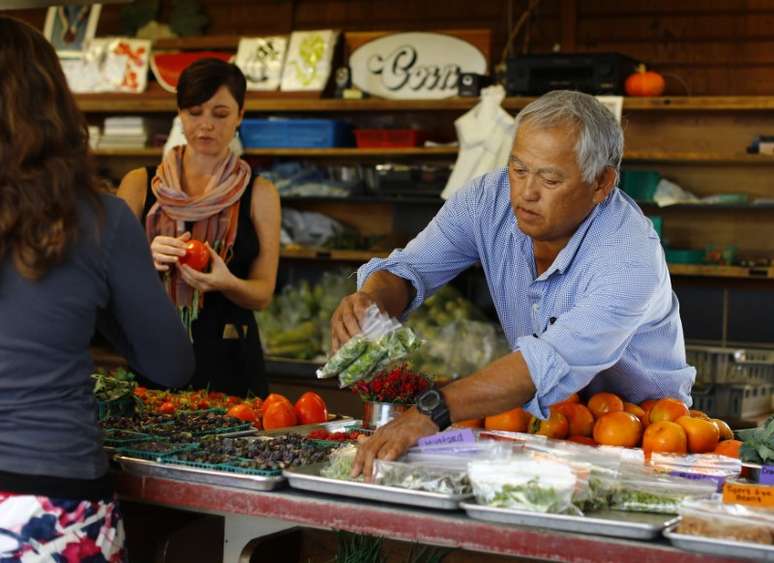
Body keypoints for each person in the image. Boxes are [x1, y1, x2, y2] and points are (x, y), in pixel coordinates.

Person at [330, 90, 696, 477]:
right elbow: (408, 270)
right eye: (518, 170)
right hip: (544, 425)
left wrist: (431, 410)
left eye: (550, 179)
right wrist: (369, 301)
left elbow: (545, 364)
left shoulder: (628, 255)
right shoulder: (486, 201)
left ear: (601, 183)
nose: (526, 193)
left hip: (646, 437)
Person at [0, 17, 194, 560]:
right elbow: (171, 366)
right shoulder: (98, 220)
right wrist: (105, 295)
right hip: (50, 503)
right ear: (54, 106)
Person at [117, 59, 280, 398]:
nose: (206, 125)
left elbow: (263, 293)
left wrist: (227, 283)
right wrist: (143, 261)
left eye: (220, 114)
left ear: (240, 115)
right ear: (179, 113)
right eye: (194, 112)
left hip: (231, 359)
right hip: (153, 352)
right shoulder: (138, 185)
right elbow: (105, 277)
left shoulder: (260, 193)